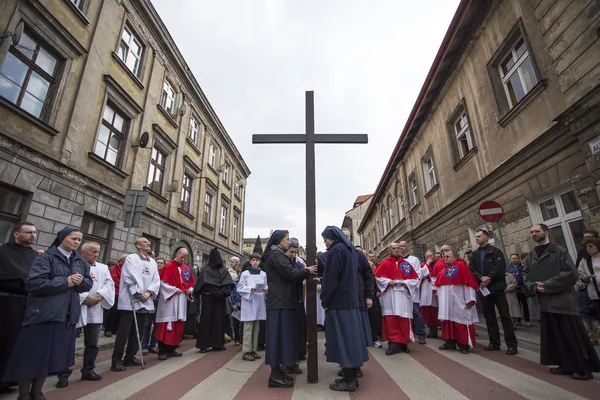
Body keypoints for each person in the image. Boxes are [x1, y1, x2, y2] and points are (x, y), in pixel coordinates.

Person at [2, 227, 92, 400]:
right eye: (73, 238)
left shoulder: (80, 262)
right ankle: (23, 395)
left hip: (66, 316)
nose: (76, 242)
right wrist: (65, 282)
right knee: (32, 357)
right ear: (62, 238)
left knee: (50, 358)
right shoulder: (45, 258)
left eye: (79, 240)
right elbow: (35, 283)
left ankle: (37, 392)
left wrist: (82, 282)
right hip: (43, 314)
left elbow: (88, 283)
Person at [524, 224, 600, 380]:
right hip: (545, 302)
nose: (534, 234)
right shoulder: (531, 255)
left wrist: (547, 285)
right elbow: (526, 275)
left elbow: (571, 274)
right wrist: (534, 286)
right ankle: (564, 364)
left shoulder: (559, 251)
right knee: (555, 336)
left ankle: (583, 369)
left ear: (546, 232)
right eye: (532, 232)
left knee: (572, 336)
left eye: (537, 231)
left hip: (562, 301)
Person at [262, 230, 317, 388]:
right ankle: (274, 374)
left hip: (282, 301)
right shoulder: (277, 255)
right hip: (280, 302)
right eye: (286, 240)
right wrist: (307, 271)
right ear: (279, 241)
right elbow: (291, 274)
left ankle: (279, 371)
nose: (289, 242)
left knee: (282, 336)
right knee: (277, 337)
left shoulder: (278, 254)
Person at [57, 242, 115, 388]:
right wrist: (84, 298)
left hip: (95, 309)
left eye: (98, 252)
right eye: (92, 252)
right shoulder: (73, 265)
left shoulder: (103, 268)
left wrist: (99, 296)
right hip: (76, 307)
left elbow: (109, 285)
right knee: (68, 343)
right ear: (83, 252)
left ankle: (88, 369)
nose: (96, 254)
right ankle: (63, 373)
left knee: (92, 343)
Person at [321, 226, 369, 392]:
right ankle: (352, 376)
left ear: (332, 238)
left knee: (343, 341)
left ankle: (348, 380)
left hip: (339, 303)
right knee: (351, 339)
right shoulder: (350, 250)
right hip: (351, 301)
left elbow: (331, 278)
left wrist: (324, 298)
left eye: (325, 240)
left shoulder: (336, 251)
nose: (325, 243)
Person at [111, 238, 160, 372]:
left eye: (148, 242)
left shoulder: (152, 262)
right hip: (131, 301)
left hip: (145, 300)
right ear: (138, 245)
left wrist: (149, 293)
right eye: (145, 242)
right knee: (124, 332)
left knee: (137, 331)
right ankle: (116, 360)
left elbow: (156, 280)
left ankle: (130, 356)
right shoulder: (131, 259)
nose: (148, 243)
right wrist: (138, 294)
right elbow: (128, 277)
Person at [0, 222, 38, 393]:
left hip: (27, 303)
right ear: (16, 234)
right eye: (28, 232)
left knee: (20, 342)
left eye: (34, 232)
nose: (33, 235)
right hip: (6, 302)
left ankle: (13, 377)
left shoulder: (35, 255)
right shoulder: (3, 251)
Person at [468, 230, 518, 355]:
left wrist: (488, 278)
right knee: (489, 317)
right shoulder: (475, 254)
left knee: (505, 316)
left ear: (486, 237)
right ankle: (494, 342)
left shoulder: (496, 252)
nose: (477, 238)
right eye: (476, 237)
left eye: (479, 236)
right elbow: (472, 269)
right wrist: (480, 278)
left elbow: (500, 268)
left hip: (497, 288)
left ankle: (512, 345)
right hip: (483, 290)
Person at [374, 242, 420, 356]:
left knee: (404, 320)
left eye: (398, 248)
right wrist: (388, 282)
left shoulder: (406, 264)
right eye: (393, 248)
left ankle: (404, 344)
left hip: (403, 296)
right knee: (392, 320)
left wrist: (406, 284)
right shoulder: (384, 263)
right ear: (389, 250)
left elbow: (415, 279)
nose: (396, 250)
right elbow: (378, 277)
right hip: (390, 296)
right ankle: (394, 345)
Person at [436, 248, 479, 354]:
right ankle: (449, 342)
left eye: (448, 257)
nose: (445, 259)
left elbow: (469, 284)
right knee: (448, 321)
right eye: (444, 257)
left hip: (459, 300)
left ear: (455, 257)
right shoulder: (444, 269)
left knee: (461, 322)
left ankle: (463, 345)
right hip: (447, 302)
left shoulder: (461, 266)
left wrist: (470, 299)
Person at [154, 249, 195, 360]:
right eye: (182, 257)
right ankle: (162, 351)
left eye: (186, 257)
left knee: (178, 324)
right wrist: (173, 290)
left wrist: (189, 290)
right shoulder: (167, 266)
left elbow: (191, 284)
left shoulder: (186, 269)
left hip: (181, 300)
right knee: (166, 325)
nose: (184, 259)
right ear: (177, 254)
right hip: (170, 300)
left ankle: (171, 349)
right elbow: (162, 284)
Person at [194, 247, 234, 353]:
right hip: (209, 299)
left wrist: (222, 292)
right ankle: (204, 344)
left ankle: (217, 343)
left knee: (219, 321)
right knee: (206, 321)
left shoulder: (223, 270)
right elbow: (203, 284)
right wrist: (215, 292)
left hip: (219, 300)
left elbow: (229, 284)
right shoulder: (207, 270)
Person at [282, 239, 307, 374]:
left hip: (297, 300)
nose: (293, 254)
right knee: (289, 332)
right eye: (291, 252)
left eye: (295, 252)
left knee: (299, 329)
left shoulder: (297, 263)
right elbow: (293, 275)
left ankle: (298, 354)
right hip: (288, 301)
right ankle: (287, 362)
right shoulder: (283, 262)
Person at [237, 253, 267, 361]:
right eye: (253, 260)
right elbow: (240, 288)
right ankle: (246, 351)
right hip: (249, 302)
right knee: (248, 328)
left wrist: (266, 289)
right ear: (250, 261)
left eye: (257, 260)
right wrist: (250, 289)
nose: (255, 262)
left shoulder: (263, 274)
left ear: (259, 262)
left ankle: (253, 349)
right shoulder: (245, 274)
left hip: (259, 302)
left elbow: (266, 284)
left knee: (256, 327)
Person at [398, 241, 426, 345]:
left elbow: (418, 273)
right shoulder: (397, 260)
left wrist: (411, 286)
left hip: (412, 290)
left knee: (416, 312)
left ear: (407, 247)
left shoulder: (414, 259)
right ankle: (407, 334)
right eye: (399, 246)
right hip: (401, 291)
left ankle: (421, 335)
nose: (401, 248)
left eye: (403, 246)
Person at [576, 237, 600, 345]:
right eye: (587, 247)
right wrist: (584, 279)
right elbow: (580, 275)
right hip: (594, 292)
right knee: (597, 315)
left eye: (591, 246)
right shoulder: (585, 260)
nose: (589, 249)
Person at [141, 256, 165, 356]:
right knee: (147, 324)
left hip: (161, 303)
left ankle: (153, 344)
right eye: (157, 262)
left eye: (161, 263)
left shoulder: (165, 274)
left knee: (157, 325)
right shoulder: (151, 273)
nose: (159, 264)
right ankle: (144, 346)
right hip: (150, 301)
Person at [105, 254, 127, 337]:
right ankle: (108, 329)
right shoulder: (113, 269)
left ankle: (115, 328)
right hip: (115, 292)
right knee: (113, 311)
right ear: (122, 260)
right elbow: (114, 279)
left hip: (123, 292)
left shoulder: (127, 268)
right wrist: (124, 285)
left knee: (120, 312)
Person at [420, 251, 439, 338]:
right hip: (426, 288)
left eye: (431, 256)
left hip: (435, 288)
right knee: (428, 310)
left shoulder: (437, 265)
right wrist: (427, 264)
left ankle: (435, 330)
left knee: (436, 310)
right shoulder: (423, 265)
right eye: (427, 256)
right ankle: (431, 330)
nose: (429, 258)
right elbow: (422, 275)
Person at [507, 253, 530, 327]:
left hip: (522, 288)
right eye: (513, 258)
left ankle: (527, 320)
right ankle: (518, 320)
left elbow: (524, 276)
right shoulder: (508, 268)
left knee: (525, 304)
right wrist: (513, 285)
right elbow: (507, 278)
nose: (514, 260)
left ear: (518, 259)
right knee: (516, 305)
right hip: (513, 289)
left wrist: (518, 283)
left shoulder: (522, 267)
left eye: (515, 258)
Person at [366, 250, 383, 347]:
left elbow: (377, 284)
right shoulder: (366, 276)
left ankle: (376, 336)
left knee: (375, 317)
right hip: (367, 297)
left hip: (374, 297)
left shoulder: (374, 275)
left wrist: (378, 290)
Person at [229, 268, 242, 346]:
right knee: (236, 323)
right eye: (240, 273)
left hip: (244, 305)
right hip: (236, 305)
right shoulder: (234, 283)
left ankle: (241, 339)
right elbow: (231, 294)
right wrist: (233, 304)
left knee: (242, 324)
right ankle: (236, 338)